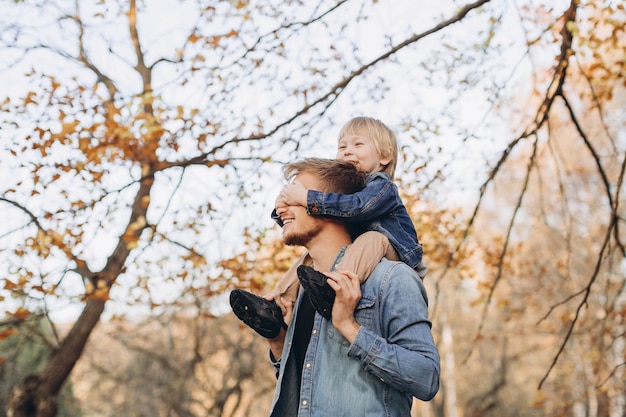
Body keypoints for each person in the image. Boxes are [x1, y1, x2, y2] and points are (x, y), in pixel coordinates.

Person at [265, 158, 439, 416]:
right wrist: (279, 343)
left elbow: (426, 377)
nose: (280, 208)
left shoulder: (392, 278)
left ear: (328, 204)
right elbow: (309, 390)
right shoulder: (301, 291)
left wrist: (349, 327)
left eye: (294, 198)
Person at [230, 116, 426, 338]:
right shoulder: (351, 189)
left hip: (396, 251)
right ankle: (276, 303)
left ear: (384, 156)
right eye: (342, 146)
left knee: (373, 237)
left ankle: (335, 289)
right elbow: (318, 216)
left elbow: (357, 208)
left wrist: (307, 197)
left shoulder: (382, 187)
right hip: (362, 254)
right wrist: (282, 208)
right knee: (309, 258)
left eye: (358, 144)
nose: (347, 151)